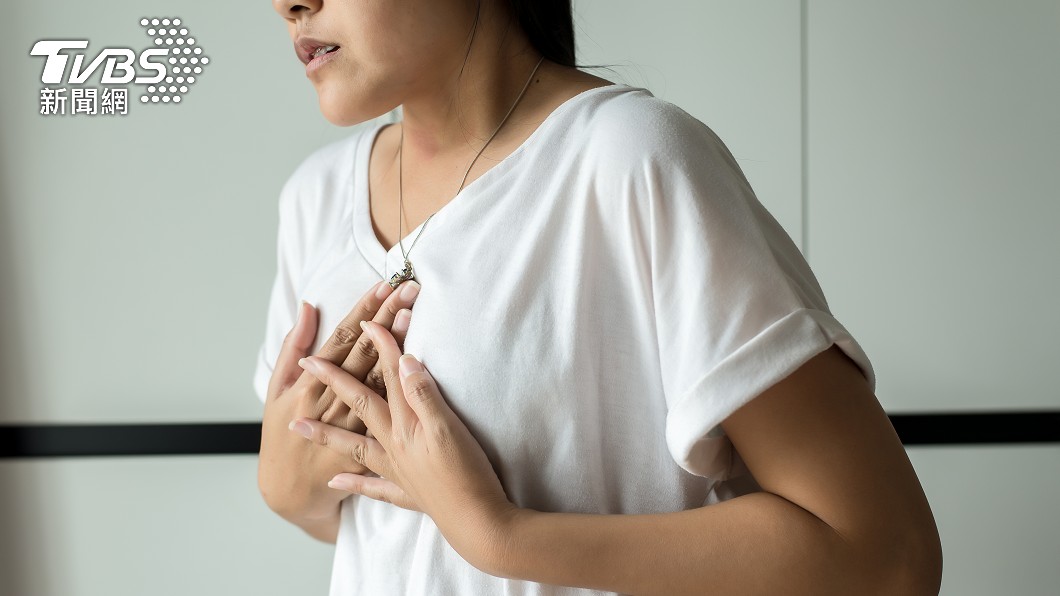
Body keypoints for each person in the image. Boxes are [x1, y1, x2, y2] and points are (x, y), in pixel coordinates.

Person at [256, 0, 943, 594]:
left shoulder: (632, 159)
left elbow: (886, 557)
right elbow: (380, 530)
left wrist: (505, 538)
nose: (287, 3)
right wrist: (284, 487)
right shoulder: (314, 200)